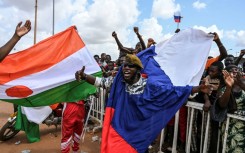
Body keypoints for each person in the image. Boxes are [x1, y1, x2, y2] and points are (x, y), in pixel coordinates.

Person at [75, 53, 213, 153]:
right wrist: (84, 76)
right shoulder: (119, 83)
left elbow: (174, 91)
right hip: (121, 129)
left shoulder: (152, 86)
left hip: (140, 133)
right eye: (124, 66)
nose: (126, 68)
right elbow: (101, 82)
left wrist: (199, 88)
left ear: (138, 69)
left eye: (131, 66)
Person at [217, 64, 245, 152]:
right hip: (232, 127)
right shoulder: (223, 89)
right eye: (232, 71)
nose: (235, 72)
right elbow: (222, 104)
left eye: (237, 70)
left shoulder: (243, 86)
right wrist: (229, 87)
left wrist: (241, 84)